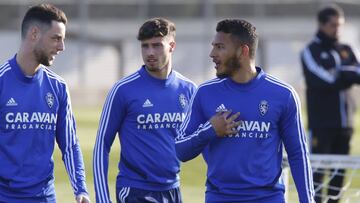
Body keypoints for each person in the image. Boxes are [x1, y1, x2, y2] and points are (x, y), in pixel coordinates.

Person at [175, 18, 315, 203]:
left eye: (220, 47)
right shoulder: (205, 93)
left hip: (268, 198)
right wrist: (209, 131)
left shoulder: (283, 95)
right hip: (220, 198)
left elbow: (298, 154)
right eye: (213, 46)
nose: (212, 53)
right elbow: (180, 150)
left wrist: (308, 201)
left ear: (243, 50)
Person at [93, 17, 196, 203]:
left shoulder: (189, 90)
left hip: (172, 189)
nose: (150, 52)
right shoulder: (123, 90)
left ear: (172, 46)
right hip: (135, 190)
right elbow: (102, 145)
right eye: (145, 46)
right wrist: (102, 197)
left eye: (157, 45)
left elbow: (201, 141)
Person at [0, 3, 90, 203]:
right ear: (34, 34)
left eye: (63, 40)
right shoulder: (2, 81)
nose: (61, 47)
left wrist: (81, 190)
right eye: (56, 38)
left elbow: (70, 144)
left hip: (44, 197)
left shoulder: (58, 87)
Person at [301, 4, 360, 203]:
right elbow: (324, 79)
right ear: (322, 24)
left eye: (340, 25)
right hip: (321, 124)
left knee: (339, 173)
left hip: (345, 125)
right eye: (333, 25)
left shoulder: (347, 49)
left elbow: (357, 73)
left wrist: (344, 74)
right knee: (317, 171)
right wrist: (346, 74)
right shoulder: (310, 51)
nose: (337, 29)